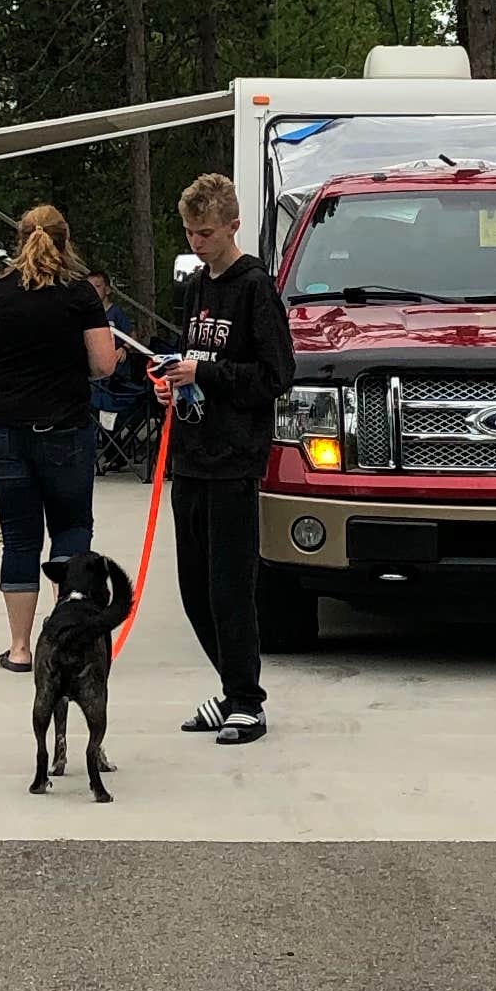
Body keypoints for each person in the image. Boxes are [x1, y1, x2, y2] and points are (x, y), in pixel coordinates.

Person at [0, 204, 123, 675]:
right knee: (71, 527)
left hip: (3, 430)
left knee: (19, 536)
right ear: (66, 242)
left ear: (20, 240)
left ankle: (19, 648)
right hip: (64, 428)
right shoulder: (80, 297)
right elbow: (104, 364)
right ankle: (66, 636)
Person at [159, 169, 294, 744]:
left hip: (235, 457)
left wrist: (206, 373)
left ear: (234, 227)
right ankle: (230, 685)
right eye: (190, 233)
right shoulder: (196, 287)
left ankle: (248, 700)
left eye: (207, 233)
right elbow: (191, 355)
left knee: (228, 584)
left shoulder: (254, 287)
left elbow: (276, 375)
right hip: (190, 452)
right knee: (192, 586)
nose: (197, 243)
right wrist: (172, 381)